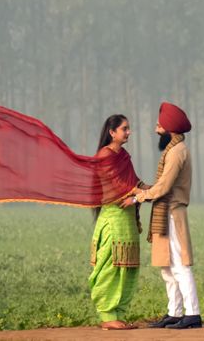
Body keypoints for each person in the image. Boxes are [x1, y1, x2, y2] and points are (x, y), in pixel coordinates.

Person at [121, 102, 201, 329]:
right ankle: (174, 312)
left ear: (170, 129)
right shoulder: (172, 150)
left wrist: (138, 198)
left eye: (159, 126)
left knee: (179, 265)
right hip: (164, 212)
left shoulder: (177, 152)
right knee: (166, 267)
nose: (156, 129)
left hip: (173, 213)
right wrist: (141, 189)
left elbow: (164, 186)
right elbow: (160, 186)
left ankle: (193, 314)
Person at [89, 115, 145, 331]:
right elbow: (117, 184)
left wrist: (153, 188)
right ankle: (107, 313)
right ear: (112, 132)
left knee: (127, 267)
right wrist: (143, 193)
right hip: (113, 217)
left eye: (129, 128)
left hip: (127, 217)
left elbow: (133, 181)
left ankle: (118, 314)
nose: (128, 132)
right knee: (110, 266)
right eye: (124, 128)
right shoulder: (105, 155)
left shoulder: (123, 156)